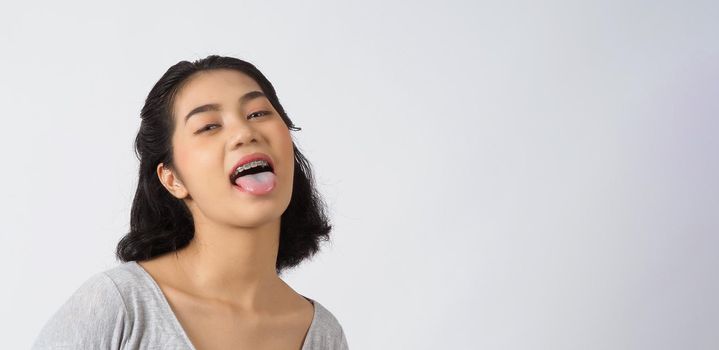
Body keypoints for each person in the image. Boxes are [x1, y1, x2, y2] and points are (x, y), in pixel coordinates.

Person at [32, 55, 349, 350]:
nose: (244, 132)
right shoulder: (119, 305)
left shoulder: (322, 333)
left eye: (258, 113)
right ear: (172, 178)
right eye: (209, 126)